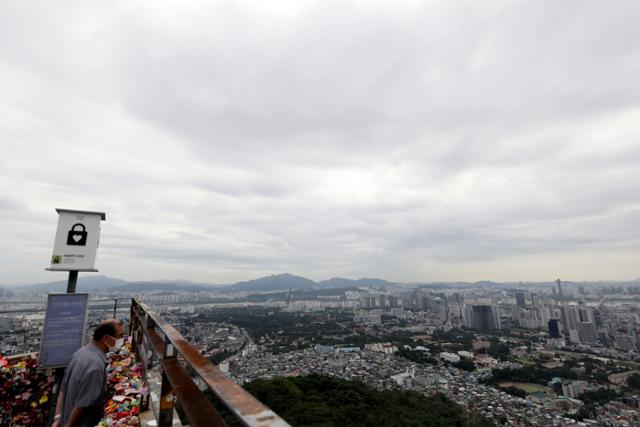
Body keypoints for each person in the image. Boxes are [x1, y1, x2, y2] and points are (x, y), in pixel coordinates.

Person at [52, 319, 125, 427]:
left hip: (64, 419)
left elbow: (63, 390)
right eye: (119, 336)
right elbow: (82, 406)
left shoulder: (78, 354)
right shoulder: (95, 367)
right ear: (106, 338)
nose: (122, 340)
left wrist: (58, 418)